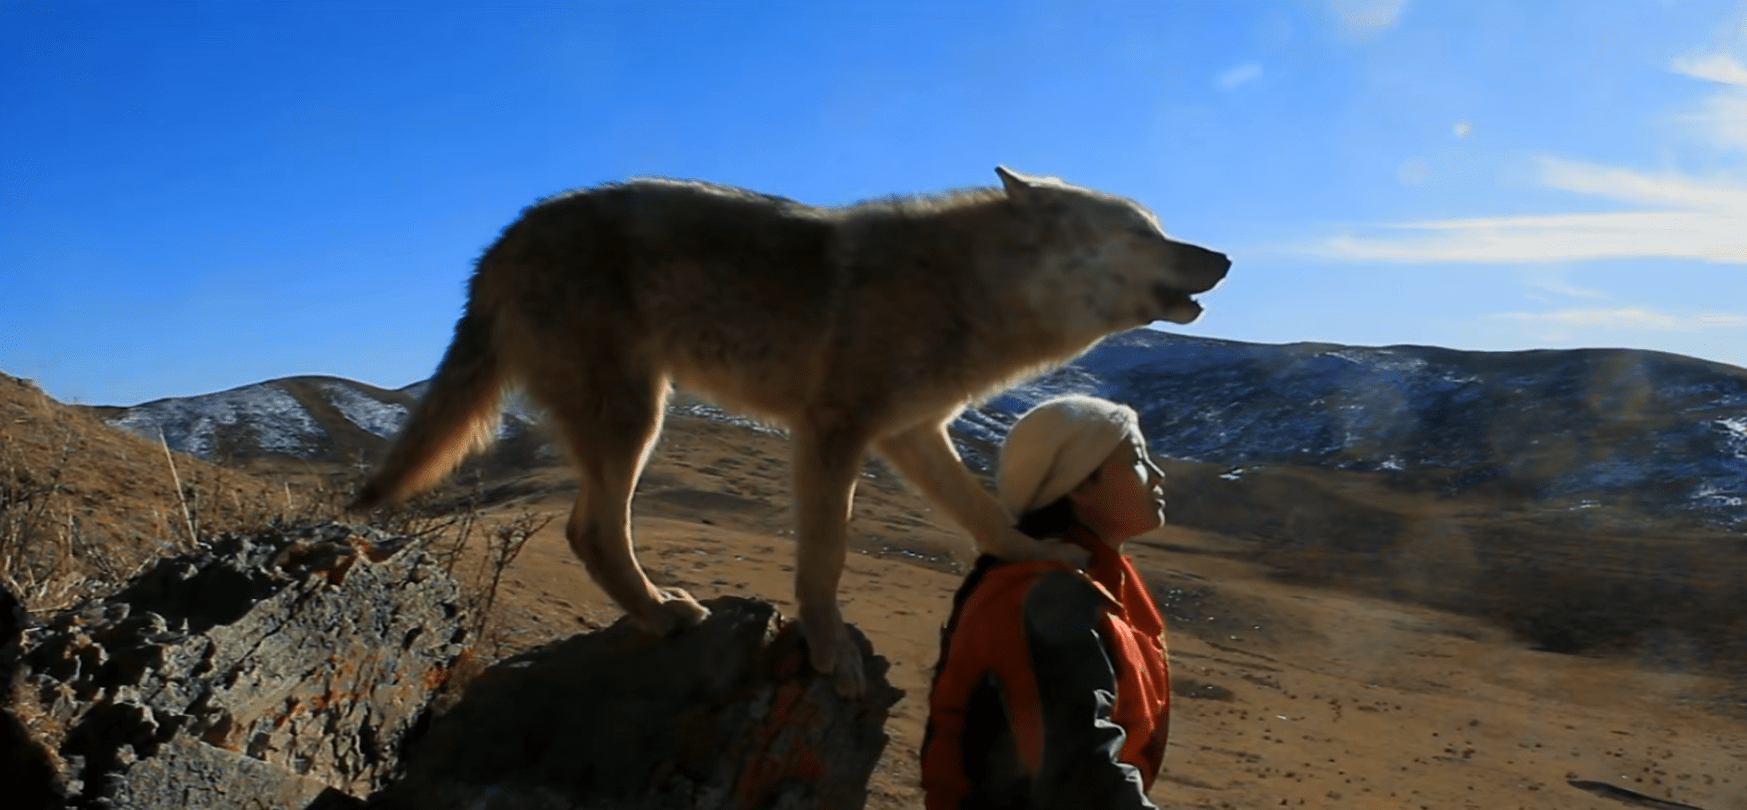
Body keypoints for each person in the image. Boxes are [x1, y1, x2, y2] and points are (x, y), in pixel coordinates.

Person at [921, 395, 1173, 810]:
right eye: (1138, 459)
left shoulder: (1091, 587)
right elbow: (1081, 777)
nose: (1158, 475)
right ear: (1080, 484)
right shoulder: (1042, 598)